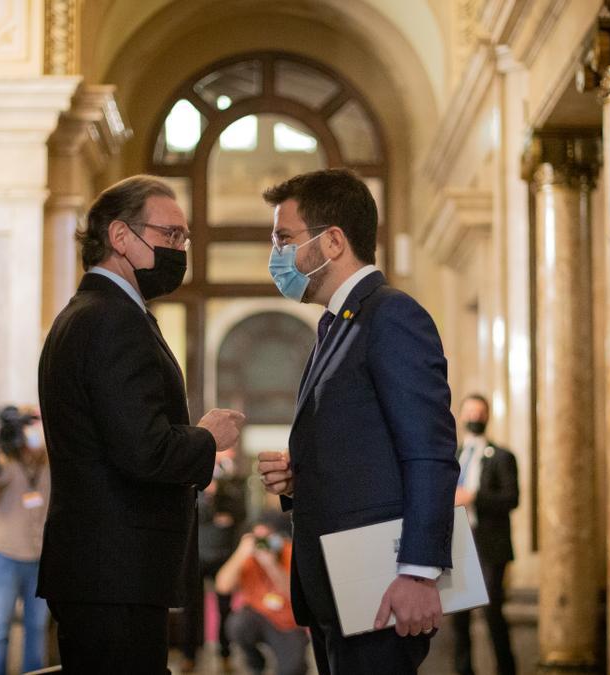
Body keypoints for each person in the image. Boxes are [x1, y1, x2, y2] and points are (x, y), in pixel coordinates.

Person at [37, 175, 246, 673]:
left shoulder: (93, 313)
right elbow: (142, 450)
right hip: (115, 571)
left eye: (184, 238)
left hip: (106, 569)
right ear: (120, 236)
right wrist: (207, 438)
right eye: (169, 235)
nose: (180, 248)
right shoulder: (111, 319)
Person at [256, 168, 460, 674]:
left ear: (332, 242)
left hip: (380, 586)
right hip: (339, 589)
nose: (276, 253)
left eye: (284, 238)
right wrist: (297, 477)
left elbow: (429, 451)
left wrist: (418, 573)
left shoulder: (390, 316)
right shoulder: (336, 325)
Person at [0, 405, 51, 675]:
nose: (32, 430)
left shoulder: (48, 460)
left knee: (37, 628)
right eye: (27, 424)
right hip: (4, 555)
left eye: (36, 422)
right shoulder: (4, 459)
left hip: (41, 556)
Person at [451, 394, 519, 675]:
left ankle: (506, 668)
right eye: (470, 412)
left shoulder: (502, 456)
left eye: (480, 413)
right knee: (459, 616)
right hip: (457, 542)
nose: (474, 418)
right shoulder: (452, 456)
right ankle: (463, 670)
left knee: (492, 611)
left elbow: (511, 498)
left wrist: (473, 498)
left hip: (490, 543)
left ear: (487, 416)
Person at [215, 520, 309, 675]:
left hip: (287, 624)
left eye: (267, 538)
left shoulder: (288, 551)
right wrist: (241, 552)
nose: (262, 544)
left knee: (292, 670)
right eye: (258, 539)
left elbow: (295, 594)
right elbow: (222, 586)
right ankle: (255, 662)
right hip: (257, 617)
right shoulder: (247, 557)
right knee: (237, 624)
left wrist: (271, 565)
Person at [180, 463, 248, 673]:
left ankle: (225, 653)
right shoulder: (193, 490)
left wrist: (219, 496)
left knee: (225, 608)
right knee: (190, 609)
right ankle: (189, 655)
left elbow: (239, 513)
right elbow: (194, 516)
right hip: (197, 556)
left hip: (223, 558)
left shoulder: (231, 489)